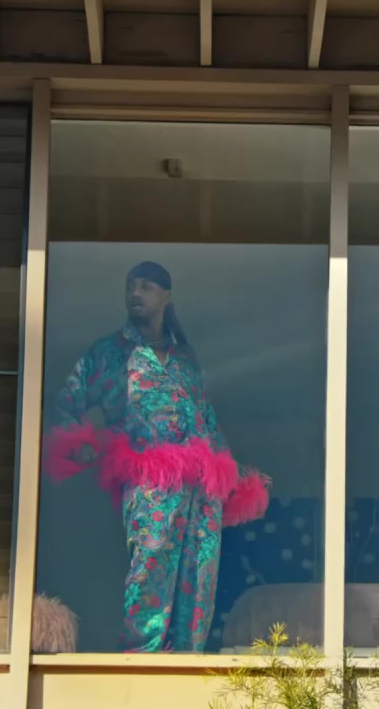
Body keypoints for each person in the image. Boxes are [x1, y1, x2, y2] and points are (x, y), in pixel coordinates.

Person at [43, 261, 269, 652]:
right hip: (151, 482)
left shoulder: (185, 358)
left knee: (200, 580)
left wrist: (231, 474)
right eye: (130, 286)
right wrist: (80, 442)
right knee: (149, 571)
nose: (135, 293)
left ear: (167, 296)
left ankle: (185, 663)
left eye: (146, 286)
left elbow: (205, 417)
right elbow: (68, 399)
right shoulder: (109, 353)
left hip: (201, 489)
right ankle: (141, 661)